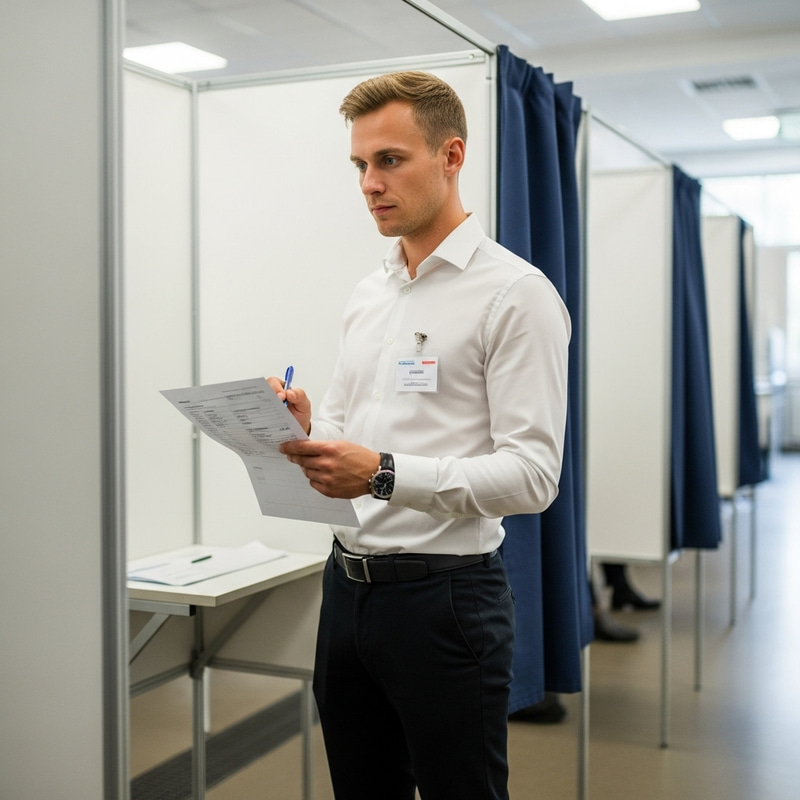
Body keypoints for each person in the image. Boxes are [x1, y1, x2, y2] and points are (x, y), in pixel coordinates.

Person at [267, 71, 570, 800]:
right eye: (360, 165)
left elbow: (533, 477)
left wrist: (380, 472)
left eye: (390, 160)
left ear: (451, 156)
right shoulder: (370, 292)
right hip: (346, 590)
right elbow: (346, 425)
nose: (370, 183)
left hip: (447, 603)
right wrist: (309, 429)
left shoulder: (515, 295)